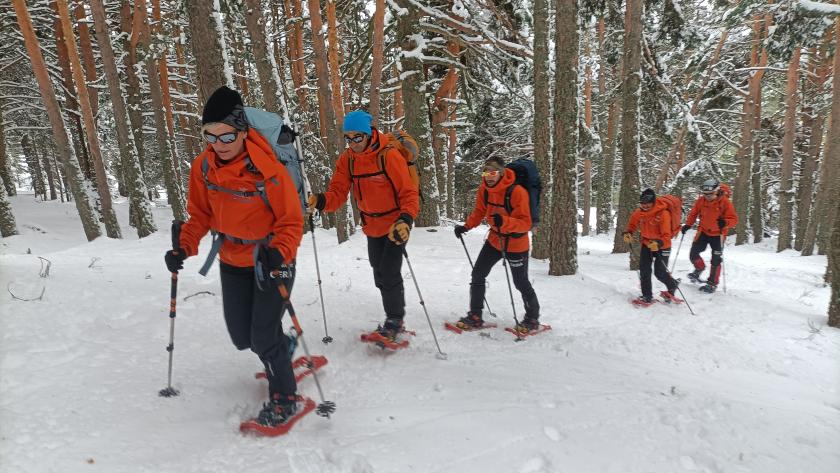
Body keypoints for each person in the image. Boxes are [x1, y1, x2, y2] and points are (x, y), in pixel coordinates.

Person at [163, 86, 304, 427]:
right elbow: (200, 215)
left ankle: (285, 397)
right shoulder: (204, 167)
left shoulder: (267, 169)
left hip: (270, 260)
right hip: (231, 259)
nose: (218, 145)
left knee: (261, 336)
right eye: (209, 137)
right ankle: (281, 348)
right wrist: (184, 246)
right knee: (243, 338)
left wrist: (279, 252)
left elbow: (291, 221)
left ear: (242, 131)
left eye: (226, 137)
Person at [307, 110, 419, 342]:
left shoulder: (388, 156)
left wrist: (406, 219)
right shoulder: (347, 160)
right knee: (379, 272)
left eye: (357, 137)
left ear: (368, 134)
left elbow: (408, 192)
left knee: (388, 271)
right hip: (371, 225)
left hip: (396, 224)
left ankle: (394, 321)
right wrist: (320, 201)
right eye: (348, 138)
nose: (353, 143)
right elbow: (337, 192)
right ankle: (394, 315)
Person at [453, 157, 541, 333]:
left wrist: (505, 221)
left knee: (520, 282)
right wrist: (466, 226)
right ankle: (475, 315)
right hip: (494, 240)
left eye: (493, 173)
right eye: (486, 172)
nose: (489, 177)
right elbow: (479, 211)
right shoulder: (484, 190)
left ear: (501, 173)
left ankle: (532, 319)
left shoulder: (517, 192)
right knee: (478, 274)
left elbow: (525, 223)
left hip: (516, 243)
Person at [623, 188, 680, 305]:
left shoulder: (663, 213)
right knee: (644, 270)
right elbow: (632, 223)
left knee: (659, 272)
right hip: (647, 244)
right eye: (643, 204)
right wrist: (628, 232)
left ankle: (672, 285)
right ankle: (647, 295)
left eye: (648, 204)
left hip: (663, 245)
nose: (645, 207)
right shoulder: (640, 212)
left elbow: (666, 235)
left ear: (653, 202)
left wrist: (658, 243)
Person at [681, 178, 738, 293]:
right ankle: (699, 268)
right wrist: (687, 225)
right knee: (693, 254)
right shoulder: (701, 201)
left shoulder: (725, 202)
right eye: (705, 194)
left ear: (717, 191)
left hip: (718, 235)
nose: (707, 196)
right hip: (703, 231)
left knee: (716, 260)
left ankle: (712, 283)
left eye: (710, 194)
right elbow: (693, 213)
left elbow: (734, 219)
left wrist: (725, 222)